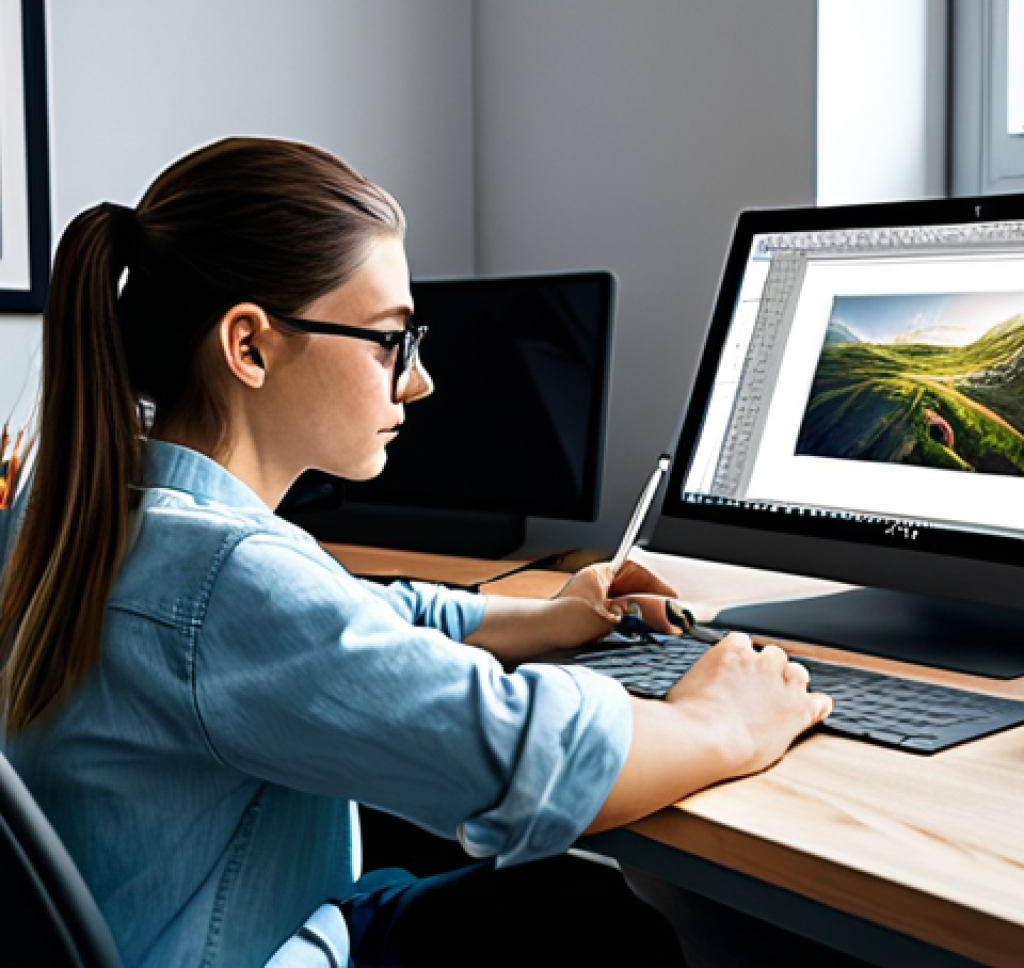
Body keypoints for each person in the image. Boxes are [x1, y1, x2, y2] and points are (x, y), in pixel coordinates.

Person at [0, 137, 831, 968]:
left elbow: (349, 617)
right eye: (389, 340)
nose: (419, 379)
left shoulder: (82, 509)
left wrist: (550, 618)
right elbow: (528, 761)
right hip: (263, 947)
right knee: (599, 921)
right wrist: (720, 721)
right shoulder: (226, 577)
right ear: (249, 347)